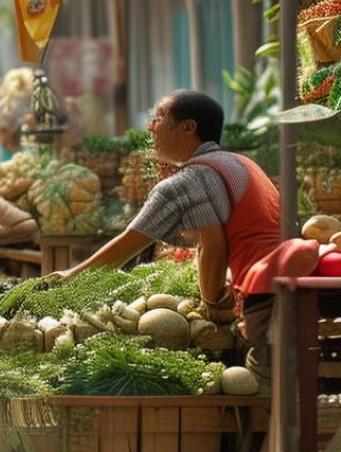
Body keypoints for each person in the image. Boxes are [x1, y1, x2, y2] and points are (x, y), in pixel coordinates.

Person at [57, 90, 318, 388]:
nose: (150, 127)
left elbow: (211, 247)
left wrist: (210, 303)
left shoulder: (191, 179)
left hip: (266, 292)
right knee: (292, 391)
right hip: (296, 282)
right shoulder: (241, 163)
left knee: (266, 397)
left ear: (188, 127)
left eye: (159, 118)